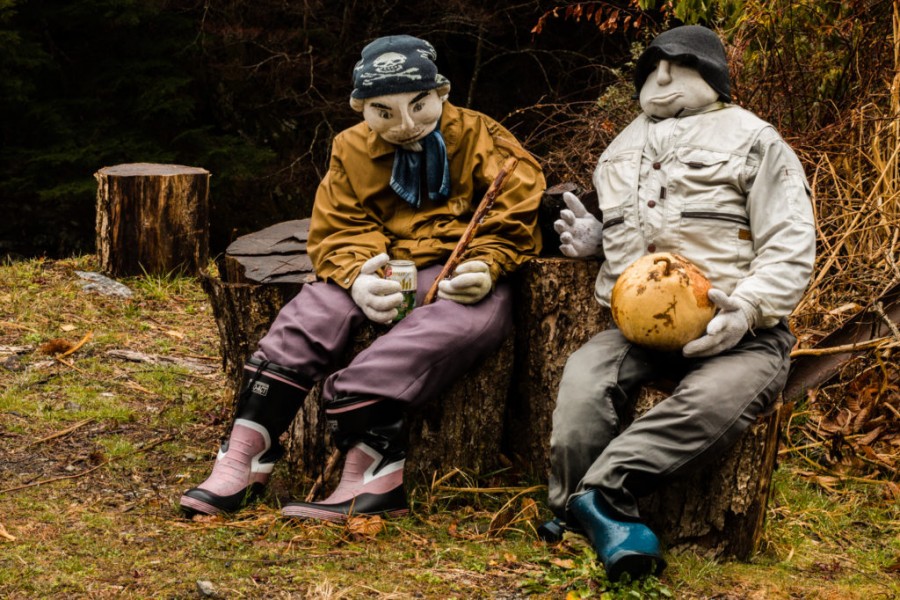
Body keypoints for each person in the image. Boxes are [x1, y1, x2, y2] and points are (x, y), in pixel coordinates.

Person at [179, 34, 544, 521]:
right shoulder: (348, 149)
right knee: (315, 308)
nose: (407, 125)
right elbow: (340, 221)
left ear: (442, 92)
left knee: (460, 319)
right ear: (360, 107)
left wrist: (486, 263)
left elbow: (513, 207)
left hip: (459, 266)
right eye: (385, 113)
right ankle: (246, 453)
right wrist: (358, 274)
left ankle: (373, 471)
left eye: (419, 106)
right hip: (385, 262)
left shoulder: (484, 137)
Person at [544, 25, 815, 580]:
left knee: (710, 402)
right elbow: (634, 236)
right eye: (652, 69)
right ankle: (575, 507)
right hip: (635, 330)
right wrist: (600, 245)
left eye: (679, 66)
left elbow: (790, 242)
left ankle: (599, 495)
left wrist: (747, 309)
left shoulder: (756, 140)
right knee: (582, 383)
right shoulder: (620, 149)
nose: (662, 78)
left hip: (741, 330)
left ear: (712, 75)